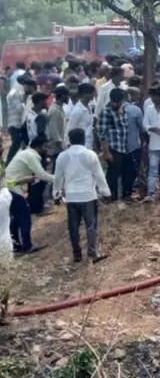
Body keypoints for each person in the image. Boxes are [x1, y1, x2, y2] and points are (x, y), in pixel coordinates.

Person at [54, 128, 110, 263]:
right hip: (88, 196)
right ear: (83, 139)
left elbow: (58, 177)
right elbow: (99, 175)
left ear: (70, 139)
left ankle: (77, 254)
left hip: (71, 197)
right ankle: (92, 252)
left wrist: (56, 194)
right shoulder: (90, 155)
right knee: (91, 225)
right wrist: (105, 191)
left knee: (73, 226)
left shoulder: (63, 156)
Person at [98, 88, 136, 200]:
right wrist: (106, 152)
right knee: (112, 175)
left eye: (118, 102)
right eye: (114, 101)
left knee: (126, 172)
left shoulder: (122, 109)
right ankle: (110, 197)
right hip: (113, 148)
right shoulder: (106, 112)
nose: (116, 104)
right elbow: (102, 134)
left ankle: (124, 195)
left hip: (123, 147)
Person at [6, 135, 55, 217]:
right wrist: (59, 178)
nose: (47, 149)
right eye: (45, 146)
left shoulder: (27, 153)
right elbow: (42, 175)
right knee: (22, 217)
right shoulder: (31, 156)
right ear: (37, 147)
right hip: (12, 185)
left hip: (12, 184)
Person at [5, 76, 36, 166]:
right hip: (15, 123)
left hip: (18, 123)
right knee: (17, 143)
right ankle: (9, 163)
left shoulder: (17, 92)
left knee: (20, 144)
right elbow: (19, 109)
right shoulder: (15, 93)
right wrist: (25, 105)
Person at [121, 88, 145, 200]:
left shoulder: (110, 109)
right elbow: (142, 128)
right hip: (133, 145)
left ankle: (120, 193)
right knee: (132, 170)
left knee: (120, 171)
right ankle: (128, 193)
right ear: (129, 96)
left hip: (118, 146)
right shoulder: (135, 110)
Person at [66, 83, 97, 151]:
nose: (92, 95)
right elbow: (70, 129)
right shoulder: (77, 111)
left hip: (89, 144)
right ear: (83, 94)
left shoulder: (89, 107)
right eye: (90, 93)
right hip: (79, 145)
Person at [45, 86, 69, 156]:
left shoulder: (60, 108)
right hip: (55, 148)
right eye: (67, 95)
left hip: (60, 146)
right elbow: (54, 131)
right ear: (62, 96)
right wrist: (61, 147)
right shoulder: (54, 110)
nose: (68, 98)